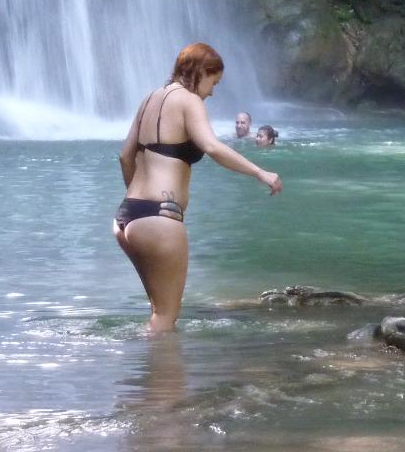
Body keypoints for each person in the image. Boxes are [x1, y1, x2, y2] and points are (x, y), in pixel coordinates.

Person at [115, 42, 283, 332]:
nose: (212, 91)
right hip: (160, 217)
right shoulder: (189, 101)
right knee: (166, 317)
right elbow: (211, 146)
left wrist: (139, 203)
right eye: (213, 82)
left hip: (126, 215)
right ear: (199, 72)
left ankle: (145, 373)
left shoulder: (149, 99)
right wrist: (260, 172)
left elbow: (125, 156)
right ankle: (165, 377)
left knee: (159, 313)